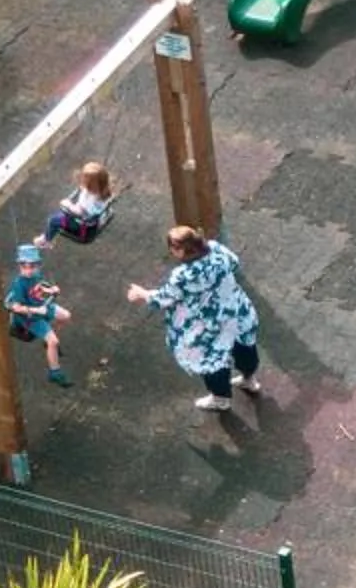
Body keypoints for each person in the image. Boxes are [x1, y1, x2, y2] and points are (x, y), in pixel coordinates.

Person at [126, 225, 264, 412]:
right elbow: (234, 262)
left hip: (210, 326)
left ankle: (221, 399)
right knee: (245, 348)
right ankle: (250, 380)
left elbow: (164, 298)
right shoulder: (216, 248)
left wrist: (141, 293)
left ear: (179, 250)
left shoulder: (183, 275)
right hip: (238, 312)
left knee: (212, 362)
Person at [4, 243, 75, 386]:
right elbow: (15, 306)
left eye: (32, 266)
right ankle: (55, 372)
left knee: (66, 316)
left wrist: (51, 291)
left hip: (42, 305)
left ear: (37, 265)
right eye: (24, 266)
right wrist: (36, 311)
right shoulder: (19, 284)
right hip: (30, 317)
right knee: (53, 341)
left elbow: (39, 287)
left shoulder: (36, 275)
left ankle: (48, 340)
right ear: (20, 265)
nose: (29, 270)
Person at [43, 159, 115, 246]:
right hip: (95, 218)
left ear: (90, 185)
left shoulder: (90, 201)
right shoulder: (104, 191)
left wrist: (68, 204)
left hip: (81, 223)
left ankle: (47, 240)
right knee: (59, 215)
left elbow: (79, 212)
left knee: (53, 220)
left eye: (84, 179)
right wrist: (85, 189)